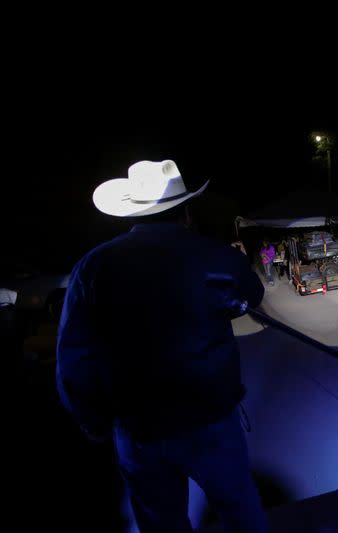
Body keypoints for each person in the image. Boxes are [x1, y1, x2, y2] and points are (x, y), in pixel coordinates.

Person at [56, 159, 269, 532]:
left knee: (161, 522)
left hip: (138, 430)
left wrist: (91, 419)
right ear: (186, 212)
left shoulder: (92, 267)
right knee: (240, 511)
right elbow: (251, 295)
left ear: (132, 214)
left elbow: (73, 358)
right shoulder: (214, 256)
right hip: (211, 422)